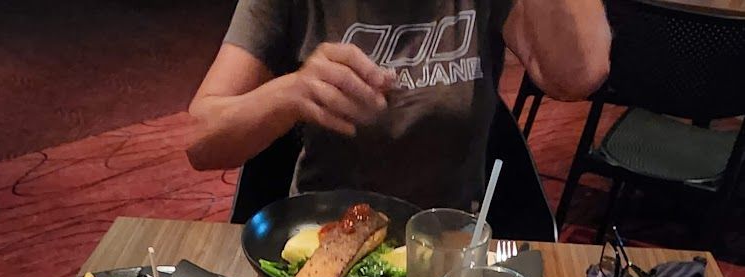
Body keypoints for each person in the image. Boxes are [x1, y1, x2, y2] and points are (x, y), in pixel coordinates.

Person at [187, 0, 610, 216]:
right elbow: (201, 140)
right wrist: (292, 93)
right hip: (324, 243)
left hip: (448, 250)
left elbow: (577, 75)